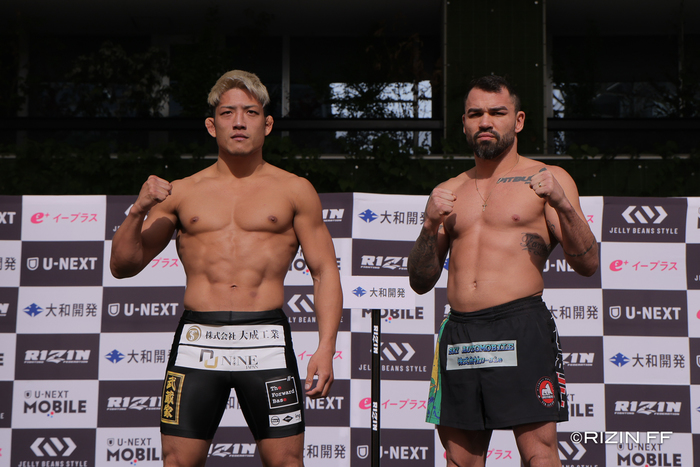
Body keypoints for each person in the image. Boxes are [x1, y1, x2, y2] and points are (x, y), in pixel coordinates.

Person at [110, 70, 343, 467]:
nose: (239, 122)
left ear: (267, 124)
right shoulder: (181, 192)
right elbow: (123, 266)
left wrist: (326, 347)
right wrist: (138, 210)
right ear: (210, 124)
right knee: (177, 462)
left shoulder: (294, 190)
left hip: (266, 341)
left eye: (250, 112)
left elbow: (324, 272)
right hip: (198, 340)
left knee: (286, 462)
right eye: (227, 113)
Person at [408, 75, 598, 467]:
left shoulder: (547, 179)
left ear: (519, 120)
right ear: (464, 123)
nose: (485, 122)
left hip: (520, 325)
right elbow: (420, 281)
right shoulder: (450, 189)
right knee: (460, 461)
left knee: (539, 455)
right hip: (460, 333)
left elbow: (588, 264)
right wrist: (428, 225)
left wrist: (562, 204)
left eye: (497, 112)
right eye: (475, 114)